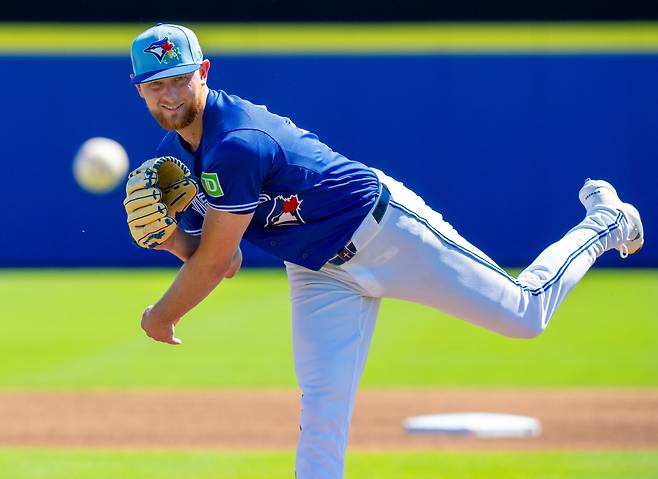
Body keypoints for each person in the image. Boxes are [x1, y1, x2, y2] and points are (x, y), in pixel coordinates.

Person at [127, 24, 644, 479]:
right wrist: (170, 238)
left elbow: (215, 264)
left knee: (525, 314)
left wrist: (161, 316)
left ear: (204, 73)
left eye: (179, 78)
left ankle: (605, 222)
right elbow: (228, 257)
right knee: (323, 410)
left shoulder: (235, 141)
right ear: (140, 91)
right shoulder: (177, 158)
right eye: (156, 84)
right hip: (318, 270)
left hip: (385, 233)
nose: (169, 94)